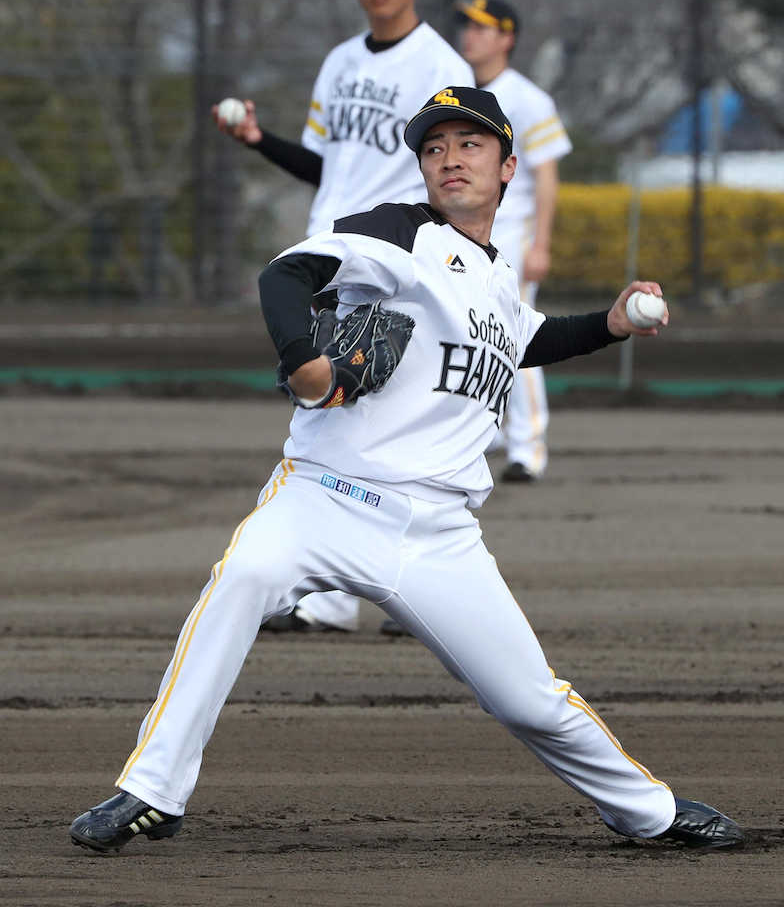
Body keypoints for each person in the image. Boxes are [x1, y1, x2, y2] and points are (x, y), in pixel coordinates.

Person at [69, 85, 743, 855]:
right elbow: (284, 278)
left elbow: (528, 339)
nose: (450, 158)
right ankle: (151, 790)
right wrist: (307, 364)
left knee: (530, 701)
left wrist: (611, 324)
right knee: (241, 580)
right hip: (324, 496)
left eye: (470, 144)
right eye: (434, 148)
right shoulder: (395, 232)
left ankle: (649, 811)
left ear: (507, 166)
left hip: (439, 535)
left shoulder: (494, 275)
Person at [213, 0, 474, 633]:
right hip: (329, 254)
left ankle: (371, 588)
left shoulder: (440, 67)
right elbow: (330, 168)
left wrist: (443, 258)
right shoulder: (339, 63)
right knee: (342, 418)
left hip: (390, 258)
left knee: (362, 417)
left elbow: (456, 172)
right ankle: (350, 592)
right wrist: (259, 141)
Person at [456, 0, 572, 483]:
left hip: (512, 233)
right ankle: (490, 433)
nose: (470, 35)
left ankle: (527, 448)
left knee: (514, 334)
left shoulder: (526, 98)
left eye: (483, 28)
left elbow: (546, 176)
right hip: (463, 233)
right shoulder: (456, 91)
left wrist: (541, 243)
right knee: (464, 331)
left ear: (508, 38)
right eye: (468, 26)